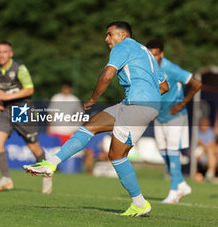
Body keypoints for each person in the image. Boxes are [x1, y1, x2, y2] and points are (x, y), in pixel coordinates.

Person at [24, 21, 169, 216]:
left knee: (116, 156)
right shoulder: (146, 53)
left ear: (122, 35)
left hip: (137, 106)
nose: (106, 39)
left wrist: (93, 99)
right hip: (134, 104)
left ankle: (140, 203)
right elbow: (164, 86)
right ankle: (51, 164)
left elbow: (107, 75)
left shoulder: (122, 46)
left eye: (110, 34)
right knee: (90, 125)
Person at [0, 41, 52, 194]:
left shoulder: (19, 68)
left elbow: (29, 89)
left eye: (5, 52)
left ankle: (46, 173)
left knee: (34, 148)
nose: (1, 55)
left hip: (22, 109)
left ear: (11, 54)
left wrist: (7, 95)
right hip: (6, 110)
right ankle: (6, 179)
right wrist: (0, 100)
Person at [146, 39, 202, 203]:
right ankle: (182, 184)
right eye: (150, 55)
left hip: (175, 115)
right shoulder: (147, 68)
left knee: (172, 151)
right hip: (159, 115)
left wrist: (182, 104)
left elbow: (197, 84)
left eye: (155, 55)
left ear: (161, 54)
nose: (152, 58)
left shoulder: (170, 68)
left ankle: (174, 191)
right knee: (163, 152)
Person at [47, 80, 83, 144]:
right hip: (55, 130)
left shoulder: (74, 100)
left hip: (68, 131)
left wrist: (74, 122)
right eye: (63, 87)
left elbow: (80, 114)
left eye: (66, 88)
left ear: (70, 89)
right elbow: (51, 113)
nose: (65, 90)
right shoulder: (56, 98)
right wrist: (49, 127)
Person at [197, 117, 218, 181]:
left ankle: (210, 172)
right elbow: (200, 143)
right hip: (200, 150)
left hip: (210, 150)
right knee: (211, 150)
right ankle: (211, 173)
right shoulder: (197, 132)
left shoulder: (211, 132)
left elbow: (212, 143)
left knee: (213, 150)